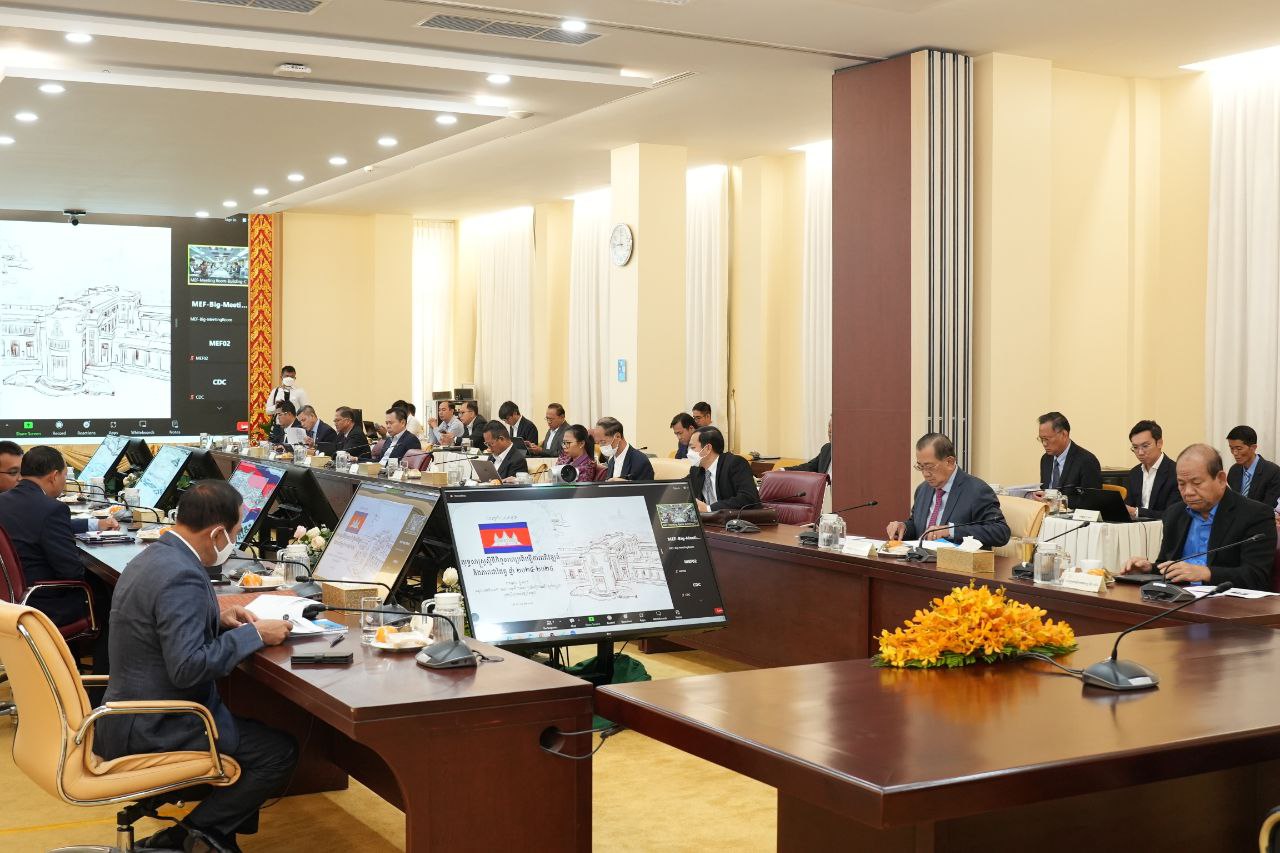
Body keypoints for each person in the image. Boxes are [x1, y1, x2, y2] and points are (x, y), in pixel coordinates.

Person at [95, 480, 297, 853]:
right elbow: (187, 667)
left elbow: (156, 625)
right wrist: (254, 635)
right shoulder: (182, 574)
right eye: (234, 533)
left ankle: (208, 837)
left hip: (125, 715)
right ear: (217, 533)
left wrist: (215, 618)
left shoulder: (157, 556)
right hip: (157, 725)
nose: (233, 542)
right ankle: (187, 838)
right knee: (277, 751)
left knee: (254, 731)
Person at [0, 445, 113, 670]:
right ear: (54, 476)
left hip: (10, 599)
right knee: (112, 599)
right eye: (64, 476)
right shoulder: (52, 509)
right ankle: (100, 682)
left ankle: (71, 669)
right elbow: (72, 572)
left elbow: (34, 524)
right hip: (43, 602)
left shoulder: (4, 501)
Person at [1121, 444, 1276, 590]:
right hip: (1178, 599)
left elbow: (1256, 576)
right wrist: (1149, 568)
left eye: (1196, 483)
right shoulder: (1174, 514)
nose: (1188, 492)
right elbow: (1167, 565)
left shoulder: (1255, 514)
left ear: (1221, 479)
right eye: (1181, 484)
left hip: (1227, 603)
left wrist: (1206, 573)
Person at [886, 433, 1010, 548]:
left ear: (950, 462)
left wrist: (950, 531)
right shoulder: (923, 489)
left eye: (929, 467)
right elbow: (917, 526)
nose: (925, 473)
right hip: (922, 560)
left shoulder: (977, 490)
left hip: (957, 562)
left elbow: (1000, 532)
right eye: (920, 467)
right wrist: (904, 528)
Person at [688, 426, 759, 512]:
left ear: (708, 448)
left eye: (692, 448)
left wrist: (709, 508)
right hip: (709, 519)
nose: (689, 452)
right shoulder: (696, 470)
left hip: (736, 518)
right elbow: (683, 486)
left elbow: (748, 498)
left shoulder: (735, 464)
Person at [1036, 411, 1102, 493]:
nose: (1044, 444)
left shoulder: (1087, 461)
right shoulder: (1046, 459)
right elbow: (1044, 490)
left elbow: (1091, 499)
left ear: (1064, 434)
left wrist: (1058, 499)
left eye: (1047, 439)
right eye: (1041, 439)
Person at [1125, 420, 1178, 520]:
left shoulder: (1175, 472)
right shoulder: (1134, 473)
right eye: (1135, 447)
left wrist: (1136, 512)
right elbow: (1128, 506)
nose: (1140, 452)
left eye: (1145, 446)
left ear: (1159, 443)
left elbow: (1172, 514)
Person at [1226, 425, 1280, 509]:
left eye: (1239, 449)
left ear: (1253, 447)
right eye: (1232, 448)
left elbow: (1268, 507)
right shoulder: (1234, 470)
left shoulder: (1273, 472)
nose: (1235, 453)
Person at [598, 417, 654, 481]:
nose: (601, 446)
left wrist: (625, 483)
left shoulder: (640, 461)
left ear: (618, 437)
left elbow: (646, 487)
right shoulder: (611, 461)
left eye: (603, 442)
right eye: (598, 442)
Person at [786, 416, 833, 482]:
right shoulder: (826, 448)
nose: (829, 430)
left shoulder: (848, 454)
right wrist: (783, 470)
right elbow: (809, 467)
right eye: (829, 426)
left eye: (833, 426)